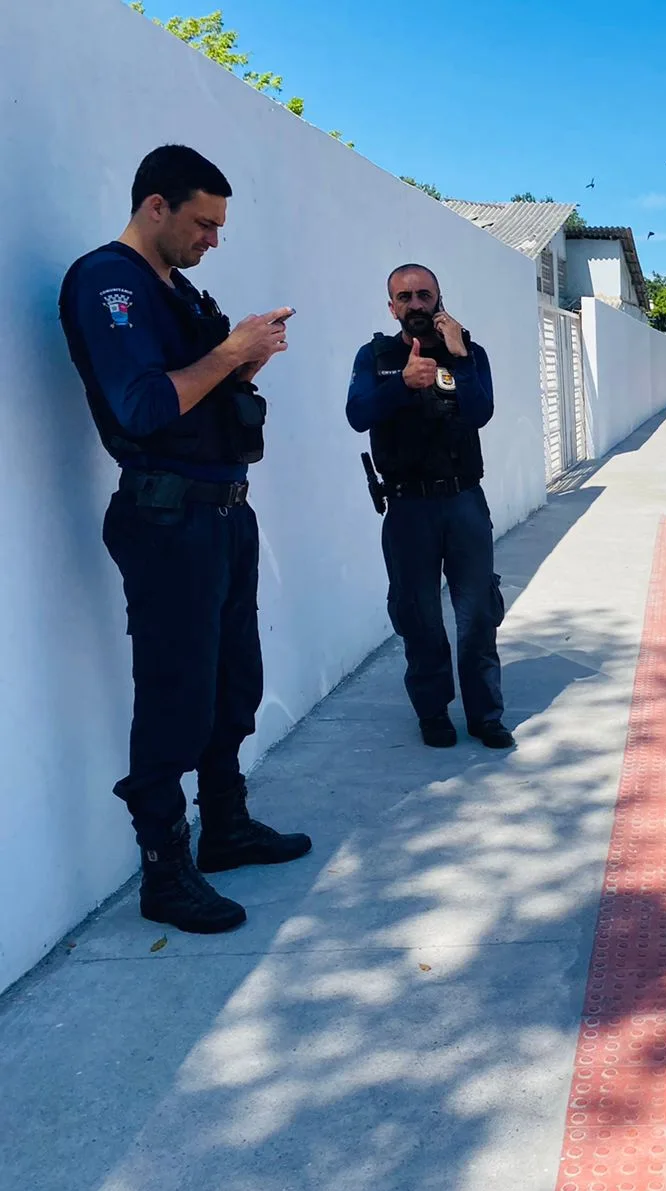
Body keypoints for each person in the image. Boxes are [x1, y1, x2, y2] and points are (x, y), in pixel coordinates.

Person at [58, 145, 312, 935]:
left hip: (223, 514)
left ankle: (227, 827)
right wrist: (229, 354)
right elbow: (139, 406)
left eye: (220, 225)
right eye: (203, 222)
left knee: (233, 681)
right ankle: (165, 872)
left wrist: (243, 365)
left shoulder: (178, 288)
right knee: (175, 695)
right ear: (155, 207)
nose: (213, 239)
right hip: (166, 520)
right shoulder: (109, 284)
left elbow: (198, 393)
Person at [345, 265, 512, 751]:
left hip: (463, 501)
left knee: (479, 612)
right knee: (418, 615)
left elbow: (480, 412)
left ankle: (485, 715)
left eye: (424, 295)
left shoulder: (469, 351)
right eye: (405, 297)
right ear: (391, 306)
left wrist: (457, 358)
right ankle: (433, 712)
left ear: (439, 298)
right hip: (406, 507)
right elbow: (358, 415)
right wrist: (404, 384)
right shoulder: (375, 357)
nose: (415, 304)